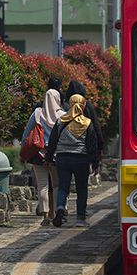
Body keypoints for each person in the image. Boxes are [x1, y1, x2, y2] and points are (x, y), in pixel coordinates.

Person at [46, 94, 101, 228]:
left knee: (63, 187)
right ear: (83, 105)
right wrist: (94, 163)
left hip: (62, 158)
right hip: (81, 159)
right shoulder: (87, 123)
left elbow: (53, 141)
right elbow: (92, 145)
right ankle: (80, 219)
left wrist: (49, 157)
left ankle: (60, 208)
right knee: (81, 189)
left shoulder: (60, 121)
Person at [21, 87, 65, 226]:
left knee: (42, 186)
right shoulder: (63, 115)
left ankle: (45, 216)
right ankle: (58, 213)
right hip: (57, 155)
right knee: (57, 185)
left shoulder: (37, 113)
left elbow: (26, 134)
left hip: (38, 155)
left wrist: (23, 151)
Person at [63, 80, 105, 154]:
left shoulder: (65, 106)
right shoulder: (87, 106)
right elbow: (96, 126)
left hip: (64, 150)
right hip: (83, 150)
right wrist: (99, 145)